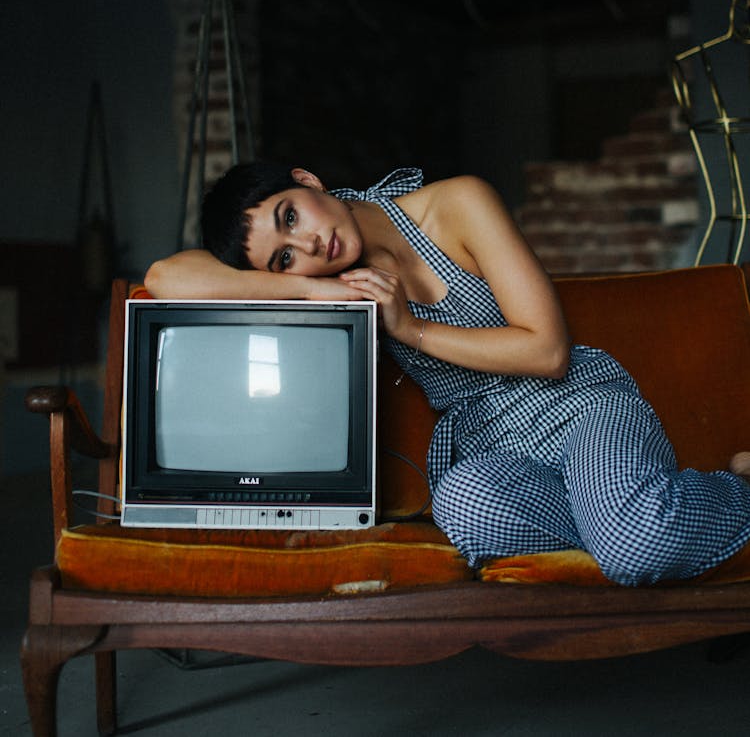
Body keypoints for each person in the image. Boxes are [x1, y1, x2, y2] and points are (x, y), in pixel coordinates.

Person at [145, 162, 750, 586]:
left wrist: (408, 327)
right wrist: (305, 290)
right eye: (284, 255)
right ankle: (619, 516)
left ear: (307, 181)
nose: (308, 245)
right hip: (491, 447)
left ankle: (735, 491)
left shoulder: (457, 203)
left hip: (580, 408)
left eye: (290, 216)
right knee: (464, 509)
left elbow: (547, 351)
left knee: (637, 544)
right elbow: (168, 276)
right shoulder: (327, 282)